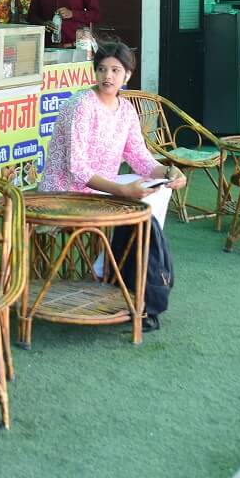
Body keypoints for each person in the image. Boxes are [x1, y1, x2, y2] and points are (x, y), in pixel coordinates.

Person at [39, 42, 185, 329]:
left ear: (127, 75)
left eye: (116, 70)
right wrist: (122, 191)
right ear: (94, 72)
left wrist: (168, 172)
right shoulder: (82, 105)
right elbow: (77, 168)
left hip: (101, 189)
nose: (108, 76)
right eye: (102, 69)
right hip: (67, 191)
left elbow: (139, 156)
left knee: (158, 190)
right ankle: (112, 269)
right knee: (139, 207)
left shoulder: (126, 110)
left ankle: (112, 265)